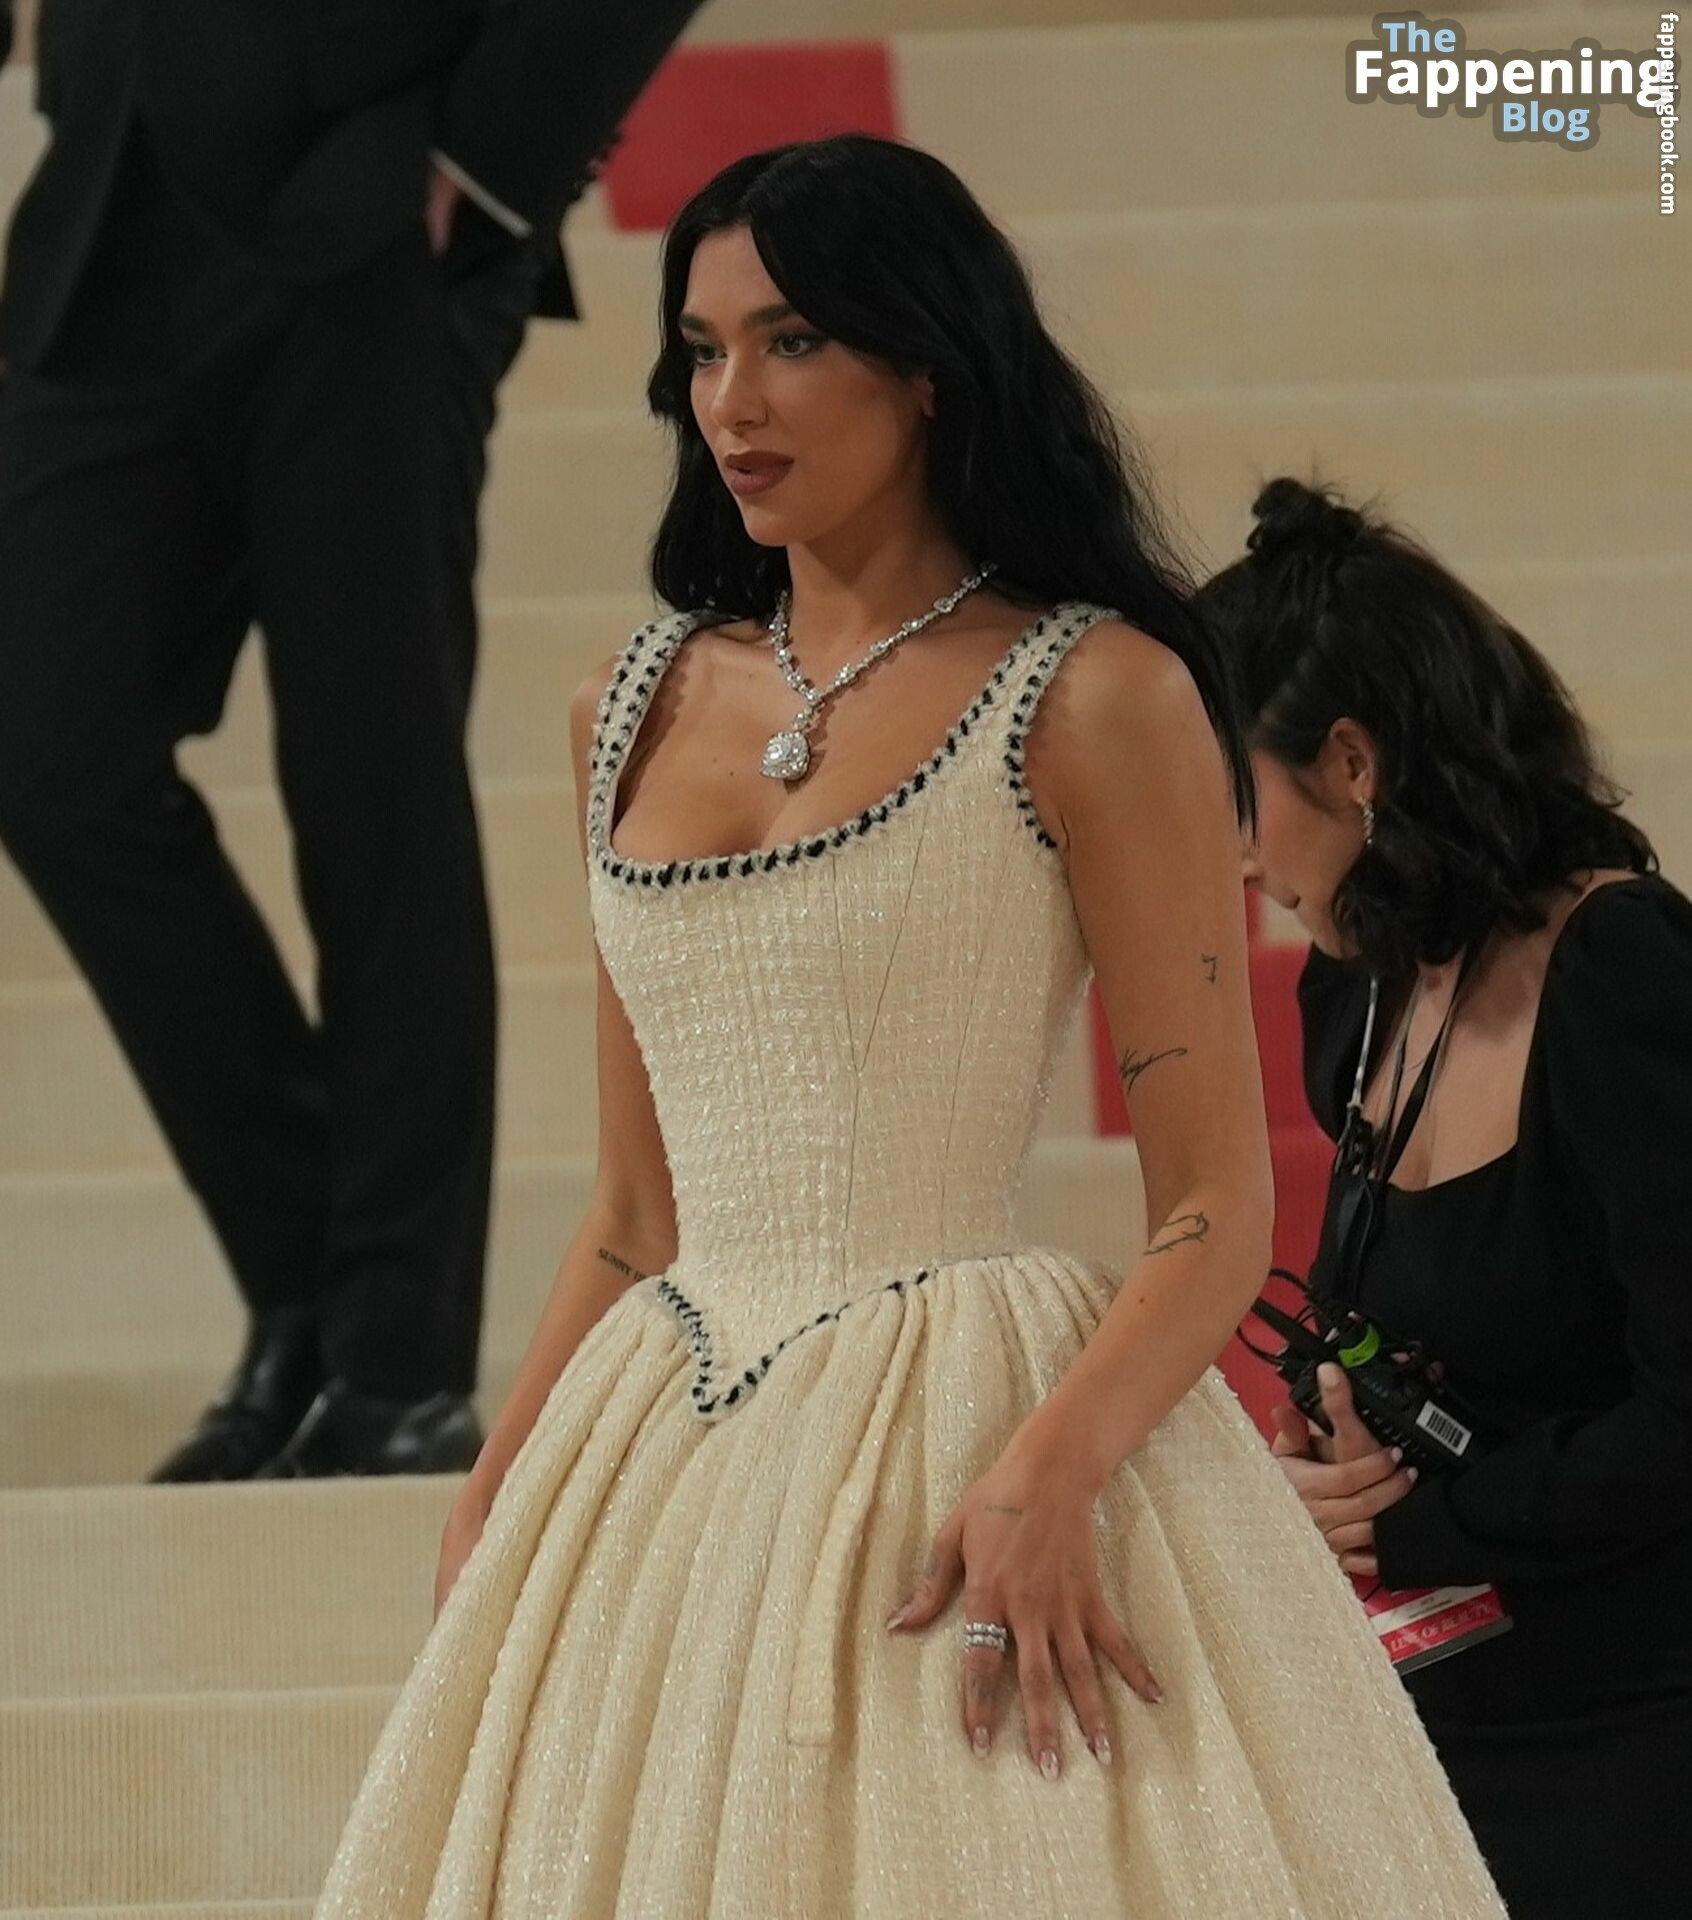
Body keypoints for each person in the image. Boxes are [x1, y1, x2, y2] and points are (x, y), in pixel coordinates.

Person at [311, 137, 1506, 1916]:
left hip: (960, 1419)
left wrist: (1051, 1471)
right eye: (702, 350)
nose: (733, 400)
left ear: (929, 365)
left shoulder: (1100, 693)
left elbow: (1210, 1206)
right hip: (657, 1443)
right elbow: (634, 1213)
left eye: (792, 340)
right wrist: (505, 1475)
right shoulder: (621, 706)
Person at [0, 0, 702, 1480]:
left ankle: (392, 1364)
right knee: (47, 752)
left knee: (369, 794)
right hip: (106, 191)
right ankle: (312, 1287)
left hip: (380, 196)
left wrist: (492, 163)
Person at [1209, 476, 1692, 1917]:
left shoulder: (1622, 971)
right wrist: (1323, 1466)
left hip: (1638, 1718)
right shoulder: (1356, 984)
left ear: (1352, 763)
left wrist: (1418, 1524)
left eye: (1238, 796)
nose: (1233, 854)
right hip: (1436, 1702)